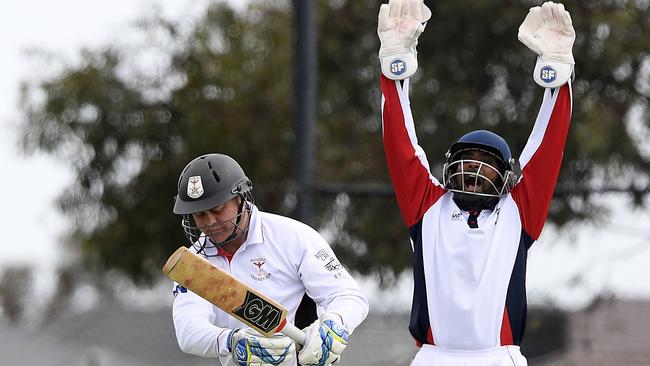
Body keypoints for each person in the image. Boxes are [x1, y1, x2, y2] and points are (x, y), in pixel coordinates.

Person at [377, 1, 574, 365]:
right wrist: (394, 64)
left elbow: (547, 147)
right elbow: (400, 144)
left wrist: (558, 74)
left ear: (504, 174)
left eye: (485, 164)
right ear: (451, 166)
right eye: (468, 160)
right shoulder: (427, 206)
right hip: (433, 357)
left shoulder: (519, 211)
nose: (474, 171)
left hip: (498, 357)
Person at [170, 153, 369, 366]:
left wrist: (334, 324)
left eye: (217, 209)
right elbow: (188, 331)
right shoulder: (192, 265)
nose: (210, 222)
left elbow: (348, 296)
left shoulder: (294, 237)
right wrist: (232, 341)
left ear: (241, 198)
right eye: (199, 214)